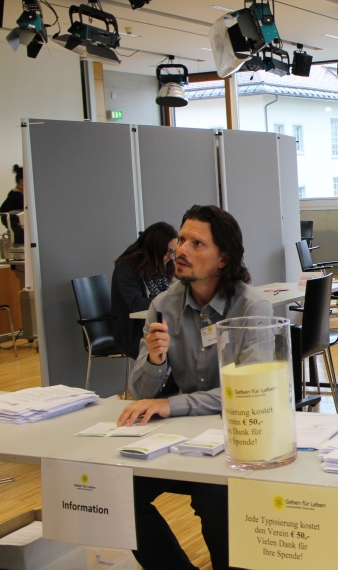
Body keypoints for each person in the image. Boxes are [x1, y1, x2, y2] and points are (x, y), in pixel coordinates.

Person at [116, 205, 272, 570]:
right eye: (182, 240)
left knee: (214, 498)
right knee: (118, 490)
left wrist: (172, 405)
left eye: (197, 243)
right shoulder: (163, 305)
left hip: (243, 439)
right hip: (186, 441)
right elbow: (141, 391)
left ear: (223, 259)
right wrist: (155, 361)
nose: (181, 250)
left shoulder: (252, 308)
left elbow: (249, 396)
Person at [111, 222, 178, 358]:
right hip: (133, 332)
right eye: (169, 251)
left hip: (154, 324)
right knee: (181, 343)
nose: (171, 257)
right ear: (155, 248)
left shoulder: (161, 264)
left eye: (174, 252)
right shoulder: (126, 267)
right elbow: (136, 304)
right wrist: (171, 296)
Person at [0, 165, 24, 245]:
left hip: (13, 233)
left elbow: (2, 210)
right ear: (21, 181)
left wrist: (9, 227)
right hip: (20, 235)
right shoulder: (20, 196)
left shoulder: (12, 193)